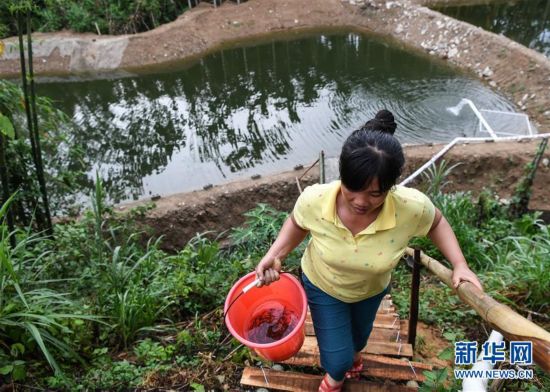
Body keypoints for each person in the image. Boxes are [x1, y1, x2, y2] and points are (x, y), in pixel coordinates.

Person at [255, 125, 483, 392]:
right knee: (338, 359)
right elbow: (297, 223)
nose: (361, 202)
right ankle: (334, 379)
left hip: (371, 290)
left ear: (391, 187)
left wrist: (460, 264)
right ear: (343, 175)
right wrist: (275, 254)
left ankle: (353, 356)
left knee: (360, 338)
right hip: (323, 285)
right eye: (353, 188)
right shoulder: (314, 200)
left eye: (375, 193)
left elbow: (436, 223)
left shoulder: (409, 208)